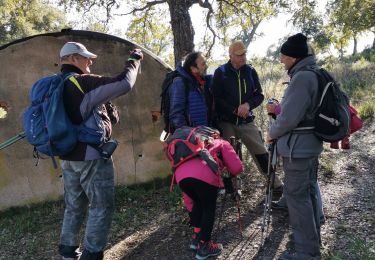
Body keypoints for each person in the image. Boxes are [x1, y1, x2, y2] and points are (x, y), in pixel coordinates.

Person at [57, 42, 143, 260]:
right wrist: (133, 61)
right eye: (86, 57)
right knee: (101, 206)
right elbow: (124, 83)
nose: (91, 61)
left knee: (74, 205)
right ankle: (92, 254)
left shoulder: (57, 84)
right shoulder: (82, 82)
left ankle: (67, 251)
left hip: (67, 157)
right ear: (73, 59)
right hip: (91, 157)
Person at [266, 33, 323, 259]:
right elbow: (301, 114)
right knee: (308, 194)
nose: (281, 60)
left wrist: (271, 134)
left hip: (298, 149)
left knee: (298, 201)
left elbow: (289, 119)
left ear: (293, 57)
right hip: (309, 146)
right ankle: (312, 241)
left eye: (284, 56)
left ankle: (307, 253)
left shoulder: (302, 78)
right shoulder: (314, 73)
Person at [212, 40, 283, 196]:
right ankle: (233, 189)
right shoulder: (221, 72)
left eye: (244, 54)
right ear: (230, 56)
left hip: (247, 121)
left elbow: (260, 95)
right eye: (239, 55)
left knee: (261, 152)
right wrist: (233, 110)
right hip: (227, 122)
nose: (243, 57)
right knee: (229, 156)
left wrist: (248, 105)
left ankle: (275, 185)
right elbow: (216, 98)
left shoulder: (250, 71)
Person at [174, 134, 243, 259]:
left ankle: (196, 239)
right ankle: (204, 246)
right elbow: (237, 168)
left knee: (198, 203)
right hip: (204, 175)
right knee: (208, 208)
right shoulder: (221, 142)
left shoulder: (193, 145)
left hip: (181, 177)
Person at [169, 51, 214, 132]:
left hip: (205, 135)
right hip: (191, 138)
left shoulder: (203, 82)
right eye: (203, 64)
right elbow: (176, 115)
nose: (206, 66)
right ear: (193, 68)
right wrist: (189, 135)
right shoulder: (180, 83)